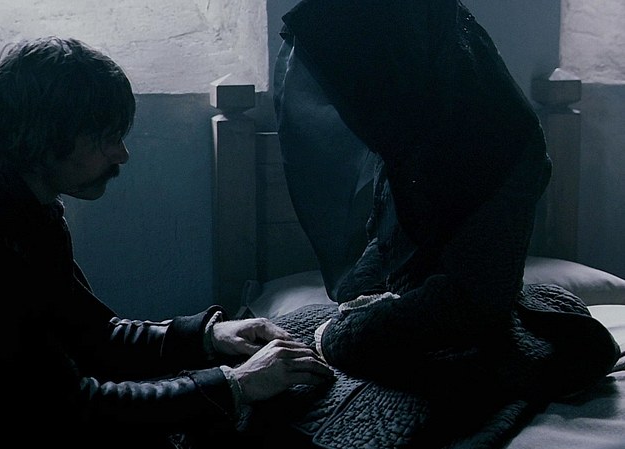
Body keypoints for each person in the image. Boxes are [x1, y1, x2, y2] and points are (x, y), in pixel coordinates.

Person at [0, 36, 333, 446]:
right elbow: (72, 410)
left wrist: (209, 337)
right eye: (105, 139)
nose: (122, 155)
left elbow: (90, 335)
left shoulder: (9, 200)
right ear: (43, 137)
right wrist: (234, 385)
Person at [246, 0, 622, 448]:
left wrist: (343, 334)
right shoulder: (414, 123)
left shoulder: (499, 144)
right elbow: (386, 245)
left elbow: (469, 301)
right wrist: (363, 296)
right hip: (434, 303)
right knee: (277, 339)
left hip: (472, 313)